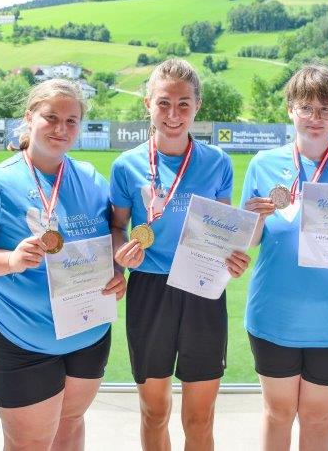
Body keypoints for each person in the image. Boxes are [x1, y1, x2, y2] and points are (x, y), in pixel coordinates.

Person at [0, 78, 126, 450]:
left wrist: (118, 272)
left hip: (88, 333)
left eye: (71, 121)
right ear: (29, 117)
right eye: (51, 117)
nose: (61, 128)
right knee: (29, 443)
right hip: (24, 338)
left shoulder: (92, 179)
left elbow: (111, 235)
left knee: (70, 426)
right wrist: (10, 260)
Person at [109, 58, 250, 451]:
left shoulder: (218, 162)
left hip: (203, 287)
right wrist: (121, 252)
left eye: (183, 104)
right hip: (149, 289)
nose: (173, 114)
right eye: (164, 103)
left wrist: (233, 257)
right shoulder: (126, 165)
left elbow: (224, 229)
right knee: (154, 412)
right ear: (148, 104)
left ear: (197, 106)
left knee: (200, 417)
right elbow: (117, 226)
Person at [240, 65, 328, 450]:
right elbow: (249, 241)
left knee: (318, 416)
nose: (315, 118)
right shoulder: (263, 164)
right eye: (306, 107)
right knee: (278, 413)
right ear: (290, 110)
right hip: (274, 313)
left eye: (325, 109)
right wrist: (255, 218)